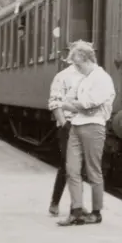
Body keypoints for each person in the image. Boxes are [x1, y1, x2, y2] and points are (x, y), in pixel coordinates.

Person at [57, 41, 116, 227]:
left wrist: (72, 104)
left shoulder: (102, 78)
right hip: (76, 125)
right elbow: (70, 99)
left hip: (94, 126)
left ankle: (96, 212)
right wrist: (74, 104)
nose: (76, 67)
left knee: (93, 170)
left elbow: (89, 103)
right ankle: (76, 211)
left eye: (77, 64)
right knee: (72, 169)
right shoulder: (83, 78)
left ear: (86, 59)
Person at [46, 58, 84, 216]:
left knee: (82, 166)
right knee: (67, 164)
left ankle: (77, 205)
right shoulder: (63, 76)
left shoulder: (92, 75)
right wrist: (64, 124)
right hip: (69, 124)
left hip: (86, 124)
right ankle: (55, 202)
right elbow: (54, 102)